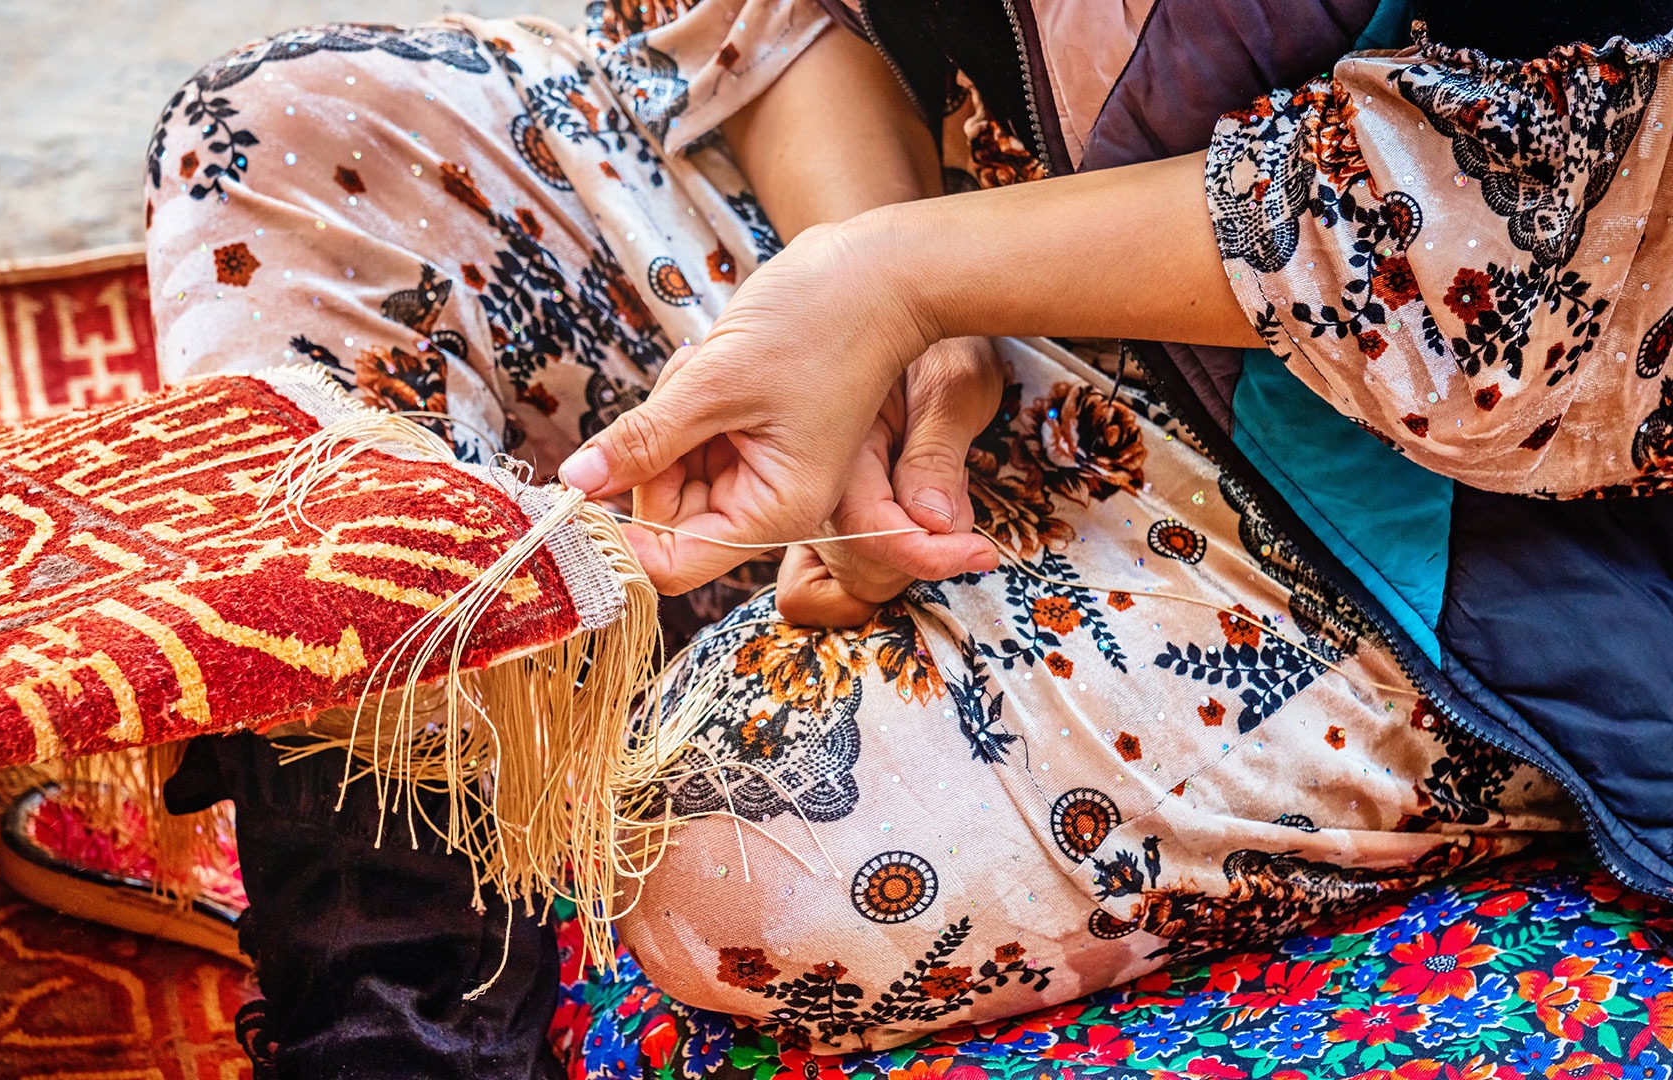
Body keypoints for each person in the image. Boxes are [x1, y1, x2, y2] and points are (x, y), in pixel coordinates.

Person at [144, 0, 1673, 1074]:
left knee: (730, 860)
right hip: (939, 251)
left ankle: (670, 635)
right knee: (290, 143)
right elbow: (794, 22)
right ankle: (395, 1018)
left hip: (1406, 491)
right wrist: (872, 313)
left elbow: (1567, 251)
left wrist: (905, 286)